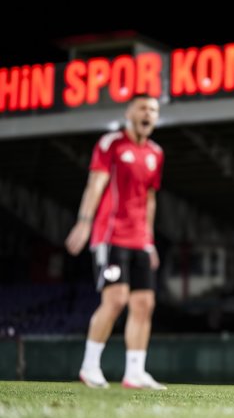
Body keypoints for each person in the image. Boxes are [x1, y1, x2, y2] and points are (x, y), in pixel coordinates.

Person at [65, 93, 166, 390]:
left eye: (153, 110)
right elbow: (95, 184)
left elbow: (150, 198)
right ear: (128, 113)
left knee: (144, 304)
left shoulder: (156, 153)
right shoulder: (111, 143)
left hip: (139, 239)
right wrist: (84, 222)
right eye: (142, 108)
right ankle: (89, 367)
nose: (148, 114)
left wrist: (149, 240)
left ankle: (135, 372)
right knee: (116, 299)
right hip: (110, 236)